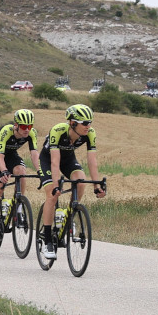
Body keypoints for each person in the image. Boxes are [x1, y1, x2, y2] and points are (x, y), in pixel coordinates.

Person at [36, 104, 107, 260]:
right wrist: (56, 186)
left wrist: (96, 185)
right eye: (85, 123)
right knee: (52, 195)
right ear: (72, 123)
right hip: (48, 160)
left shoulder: (90, 134)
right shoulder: (58, 130)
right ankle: (48, 240)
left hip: (68, 160)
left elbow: (92, 160)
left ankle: (69, 216)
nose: (89, 126)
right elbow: (55, 162)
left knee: (80, 182)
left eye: (90, 122)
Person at [0, 109, 40, 239]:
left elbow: (34, 154)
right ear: (16, 125)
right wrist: (4, 171)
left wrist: (40, 171)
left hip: (11, 155)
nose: (27, 129)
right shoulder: (6, 131)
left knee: (21, 172)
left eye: (30, 126)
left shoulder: (31, 133)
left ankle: (18, 207)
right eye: (24, 126)